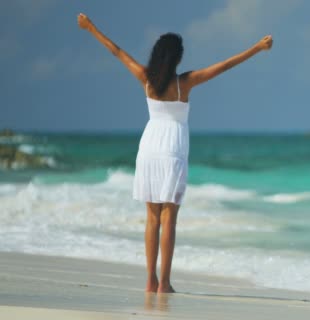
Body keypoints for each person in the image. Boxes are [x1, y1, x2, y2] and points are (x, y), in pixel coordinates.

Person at [77, 13, 273, 293]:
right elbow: (224, 66)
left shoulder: (146, 78)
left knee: (152, 218)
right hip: (172, 150)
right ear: (178, 59)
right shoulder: (185, 82)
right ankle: (164, 283)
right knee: (169, 218)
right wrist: (257, 47)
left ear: (157, 56)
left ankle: (149, 281)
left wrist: (90, 28)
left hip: (148, 148)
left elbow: (117, 51)